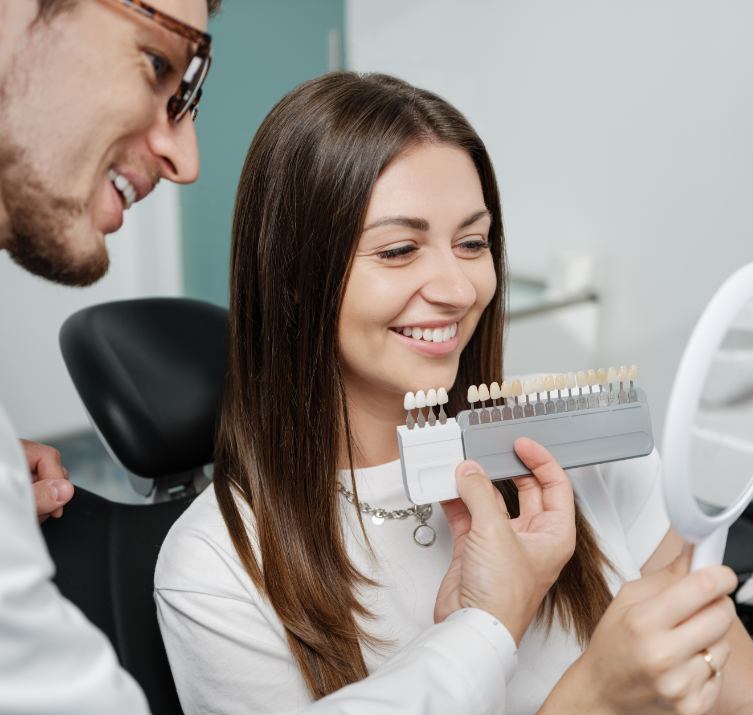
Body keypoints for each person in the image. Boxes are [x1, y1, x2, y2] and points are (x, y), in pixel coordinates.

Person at [0, 2, 573, 713]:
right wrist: (520, 648)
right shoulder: (216, 567)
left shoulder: (563, 467)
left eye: (474, 242)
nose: (186, 158)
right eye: (155, 63)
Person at [155, 72, 753, 714]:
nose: (459, 290)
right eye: (400, 249)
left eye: (473, 243)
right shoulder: (215, 573)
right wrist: (593, 699)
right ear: (292, 278)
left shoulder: (595, 459)